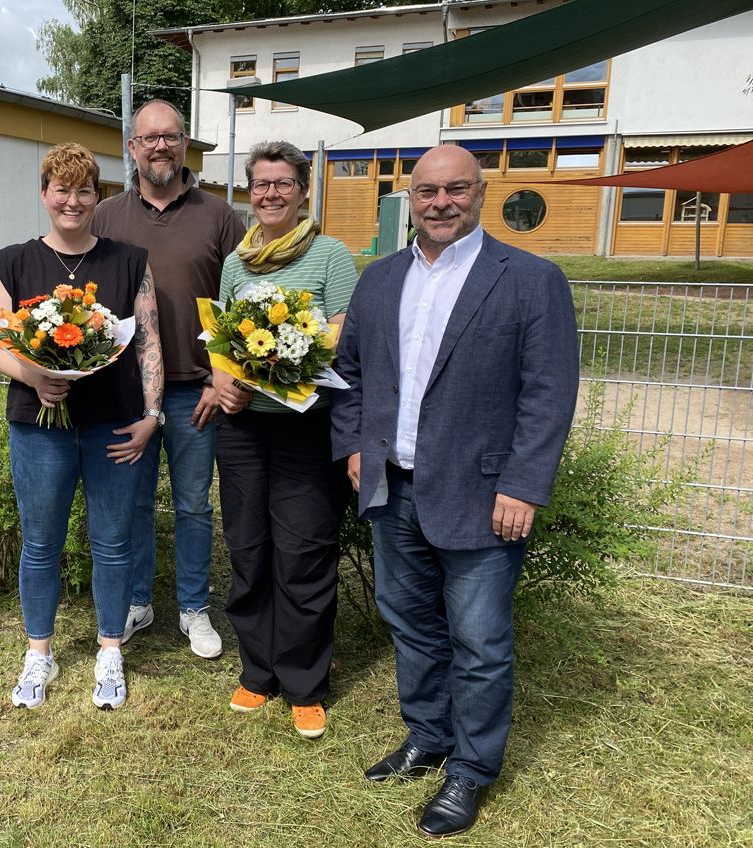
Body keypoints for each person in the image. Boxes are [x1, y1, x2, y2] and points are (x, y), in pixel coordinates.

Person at [330, 144, 579, 835]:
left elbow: (548, 394)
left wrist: (524, 484)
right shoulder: (379, 280)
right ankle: (428, 736)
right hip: (392, 486)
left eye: (456, 190)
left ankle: (470, 770)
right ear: (411, 198)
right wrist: (352, 446)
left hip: (483, 492)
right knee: (409, 625)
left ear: (480, 192)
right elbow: (347, 375)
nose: (441, 203)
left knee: (478, 640)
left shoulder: (530, 280)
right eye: (428, 192)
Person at [0, 142, 164, 711]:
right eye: (61, 189)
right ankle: (40, 651)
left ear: (97, 197)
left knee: (114, 544)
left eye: (84, 190)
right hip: (39, 426)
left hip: (113, 424)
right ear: (44, 195)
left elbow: (149, 345)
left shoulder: (129, 261)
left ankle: (110, 647)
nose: (72, 200)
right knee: (40, 544)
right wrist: (35, 377)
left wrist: (152, 417)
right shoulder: (11, 261)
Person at [213, 141, 358, 740]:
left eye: (282, 183)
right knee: (248, 549)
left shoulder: (330, 257)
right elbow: (219, 334)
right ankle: (258, 670)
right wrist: (226, 380)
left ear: (303, 191)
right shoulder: (236, 262)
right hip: (243, 430)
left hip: (305, 428)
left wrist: (283, 366)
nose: (270, 193)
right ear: (249, 190)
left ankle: (303, 682)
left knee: (302, 555)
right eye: (260, 183)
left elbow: (344, 335)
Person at [92, 99, 245, 659]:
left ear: (185, 144)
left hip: (195, 390)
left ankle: (193, 607)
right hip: (125, 391)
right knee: (129, 503)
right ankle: (137, 602)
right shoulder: (107, 216)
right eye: (149, 137)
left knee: (194, 505)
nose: (161, 146)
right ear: (132, 147)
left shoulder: (219, 215)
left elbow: (241, 303)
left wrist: (219, 376)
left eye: (171, 136)